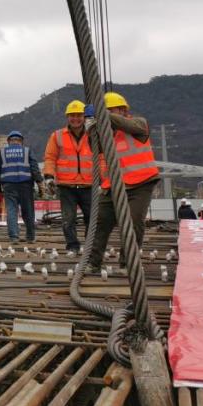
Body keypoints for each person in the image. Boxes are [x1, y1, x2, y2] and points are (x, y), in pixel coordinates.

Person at [85, 92, 161, 273]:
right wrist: (91, 129)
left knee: (134, 223)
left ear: (123, 110)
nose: (111, 113)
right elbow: (96, 148)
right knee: (100, 222)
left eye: (113, 110)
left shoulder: (139, 124)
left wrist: (102, 114)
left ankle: (127, 263)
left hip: (141, 184)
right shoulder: (107, 134)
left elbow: (125, 124)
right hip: (114, 185)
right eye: (107, 110)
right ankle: (93, 263)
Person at [43, 100, 93, 254]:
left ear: (84, 117)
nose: (75, 118)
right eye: (72, 115)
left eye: (79, 115)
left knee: (92, 219)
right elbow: (50, 157)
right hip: (66, 185)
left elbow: (102, 158)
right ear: (67, 117)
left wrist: (103, 180)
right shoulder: (57, 136)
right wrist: (49, 176)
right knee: (68, 219)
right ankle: (72, 246)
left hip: (88, 184)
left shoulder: (93, 134)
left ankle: (90, 248)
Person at [0, 131, 43, 243]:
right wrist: (40, 183)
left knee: (11, 210)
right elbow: (34, 168)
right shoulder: (27, 151)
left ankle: (14, 236)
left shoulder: (2, 152)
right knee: (28, 211)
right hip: (25, 185)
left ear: (9, 141)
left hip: (8, 185)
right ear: (21, 141)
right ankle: (30, 237)